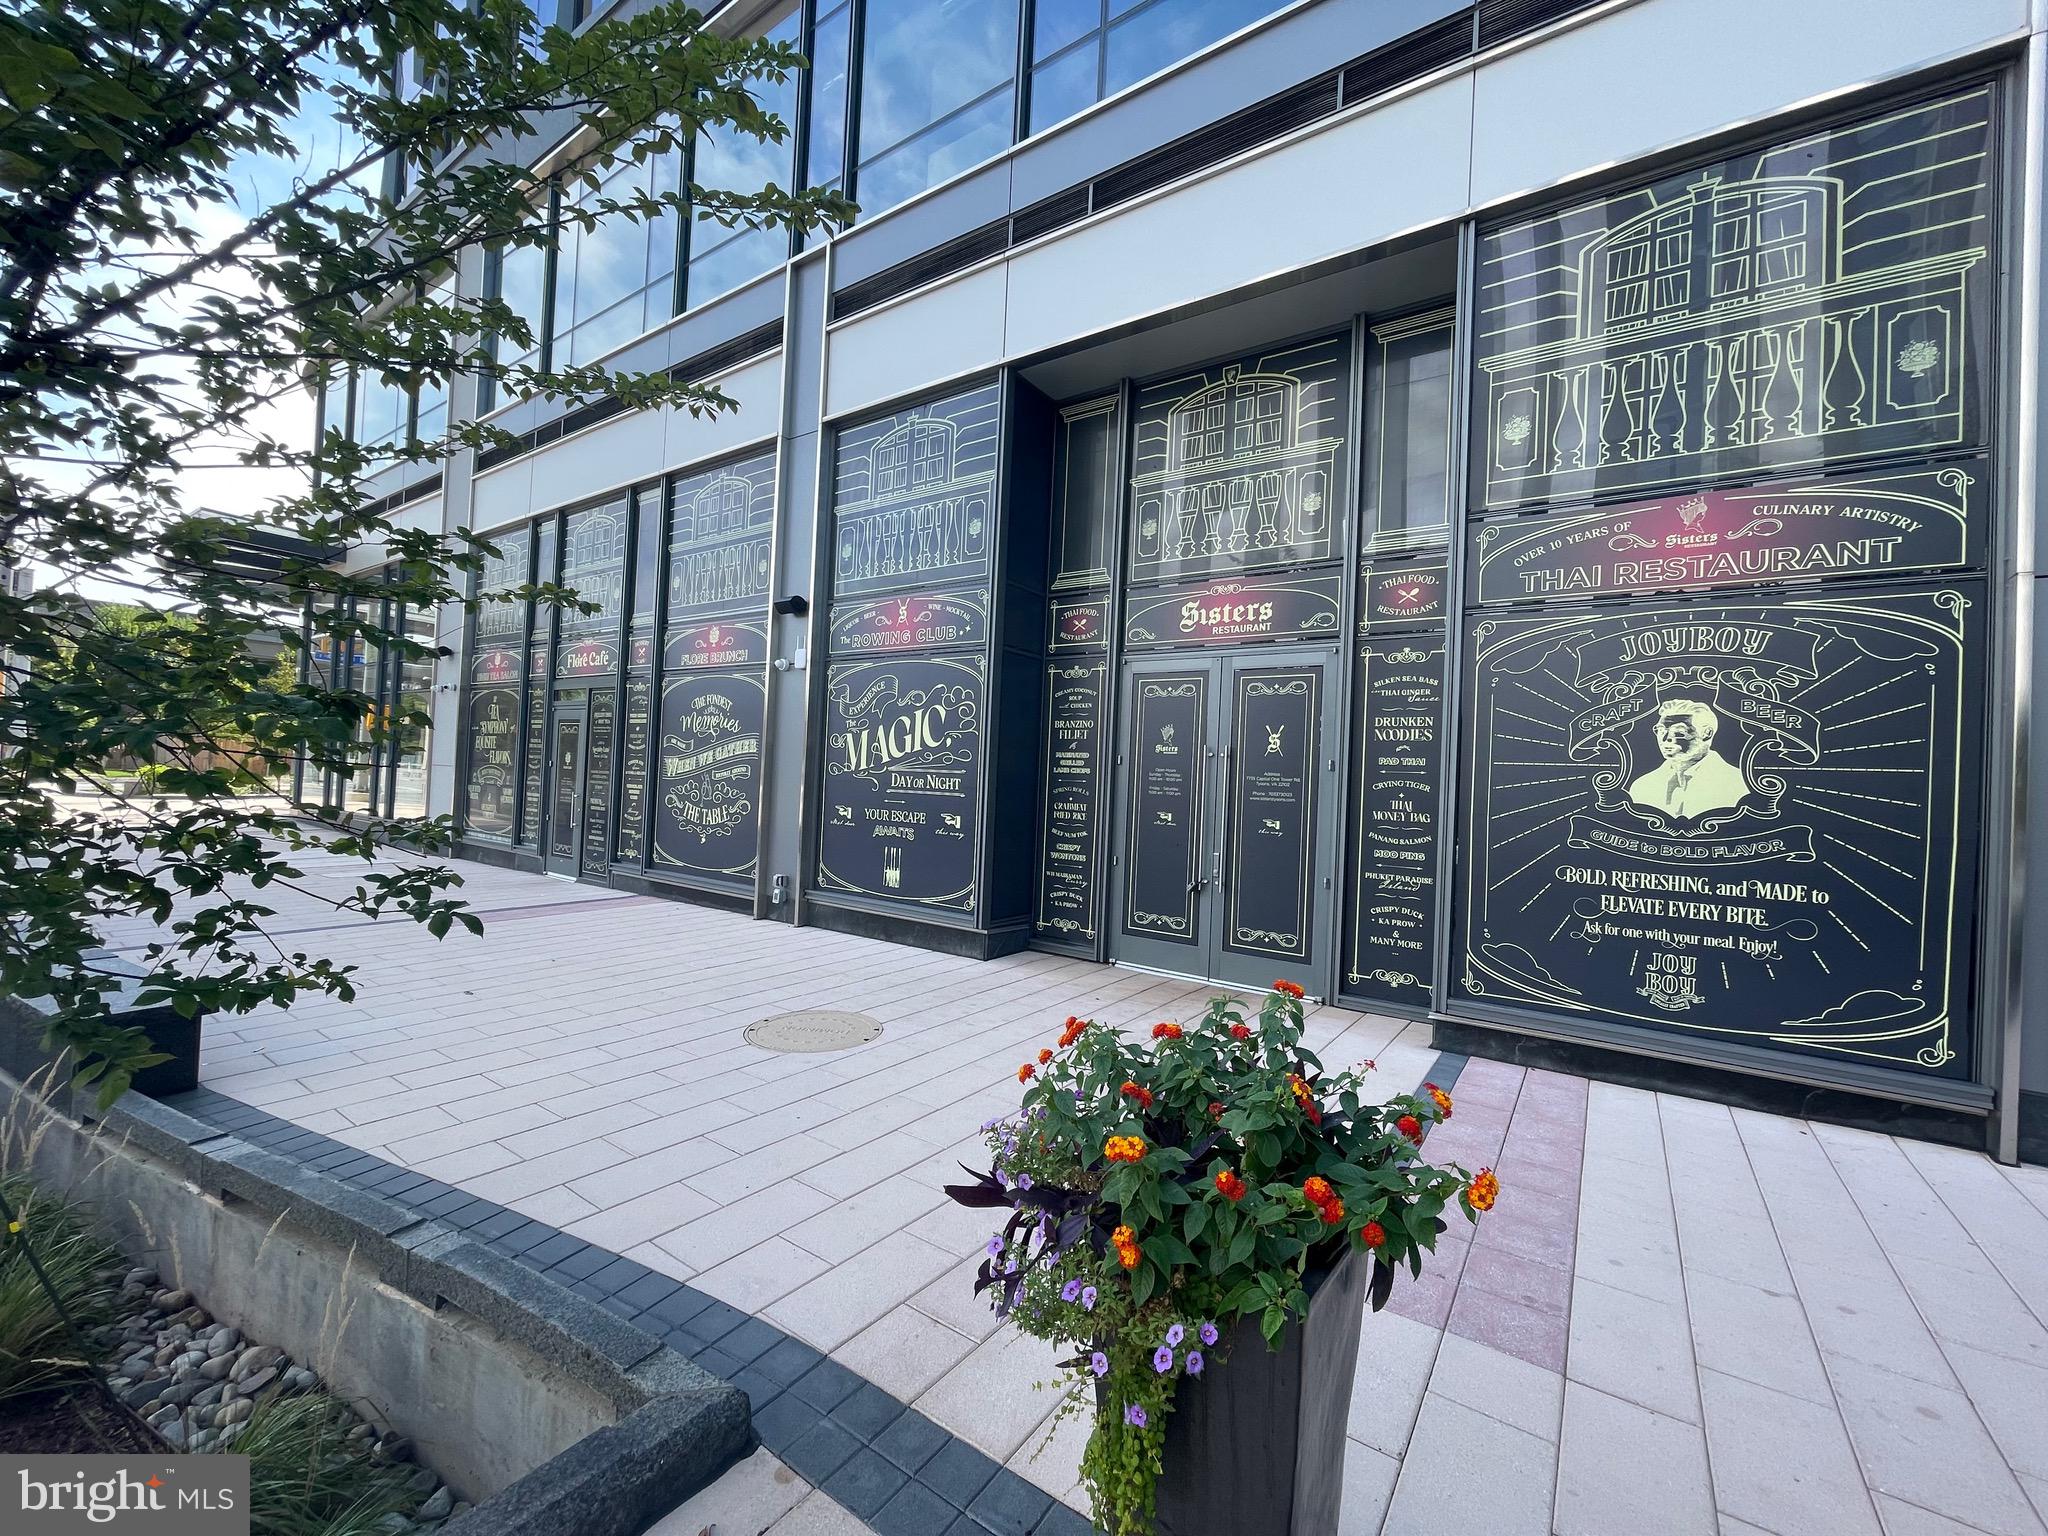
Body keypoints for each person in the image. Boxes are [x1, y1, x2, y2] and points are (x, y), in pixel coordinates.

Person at [1627, 698, 1747, 818]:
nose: (1666, 738)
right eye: (1661, 730)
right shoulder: (1642, 786)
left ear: (1707, 733)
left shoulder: (1738, 784)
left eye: (1679, 731)